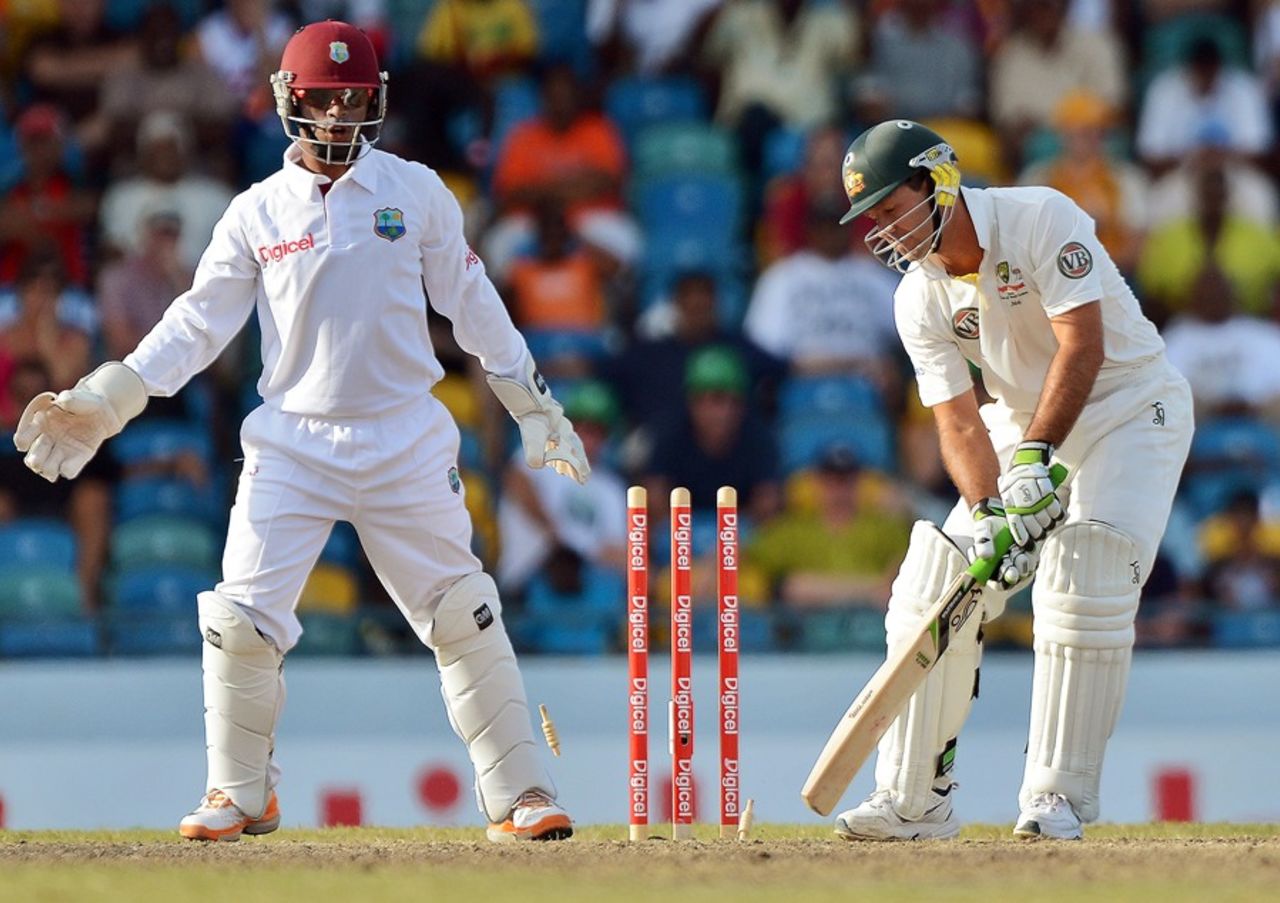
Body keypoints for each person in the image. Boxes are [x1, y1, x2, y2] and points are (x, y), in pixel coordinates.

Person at [12, 21, 586, 845]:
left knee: (463, 612)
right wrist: (109, 397)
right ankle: (241, 793)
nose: (344, 115)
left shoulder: (415, 189)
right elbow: (197, 322)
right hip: (291, 440)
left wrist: (532, 402)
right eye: (327, 100)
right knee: (241, 618)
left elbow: (473, 302)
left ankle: (522, 793)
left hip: (405, 435)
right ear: (290, 104)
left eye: (358, 99)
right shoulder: (256, 211)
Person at [829, 120, 1193, 841]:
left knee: (1082, 568)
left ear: (938, 180)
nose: (885, 231)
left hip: (1129, 405)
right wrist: (991, 508)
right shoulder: (918, 297)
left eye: (891, 208)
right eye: (872, 219)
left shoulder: (1041, 216)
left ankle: (1056, 797)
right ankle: (913, 800)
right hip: (1020, 416)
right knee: (933, 578)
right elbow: (958, 423)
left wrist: (1032, 461)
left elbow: (1082, 346)